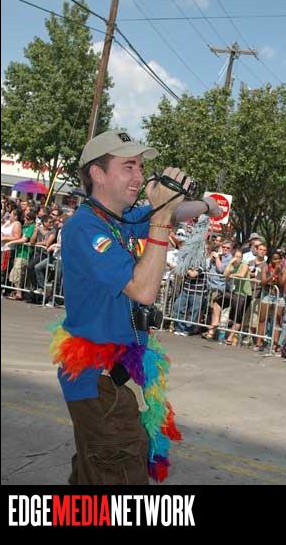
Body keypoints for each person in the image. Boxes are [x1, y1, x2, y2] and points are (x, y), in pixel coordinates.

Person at [48, 129, 221, 485]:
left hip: (110, 379)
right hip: (98, 383)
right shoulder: (85, 227)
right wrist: (160, 219)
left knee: (94, 476)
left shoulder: (119, 218)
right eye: (128, 166)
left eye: (141, 167)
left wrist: (206, 205)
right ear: (97, 173)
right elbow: (143, 290)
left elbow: (173, 212)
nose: (139, 176)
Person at [6, 210, 37, 300]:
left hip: (25, 253)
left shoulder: (32, 227)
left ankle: (19, 293)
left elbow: (24, 239)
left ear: (31, 220)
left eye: (27, 218)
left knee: (16, 273)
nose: (24, 219)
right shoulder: (24, 226)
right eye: (24, 217)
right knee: (18, 274)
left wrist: (11, 242)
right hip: (19, 252)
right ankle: (18, 292)